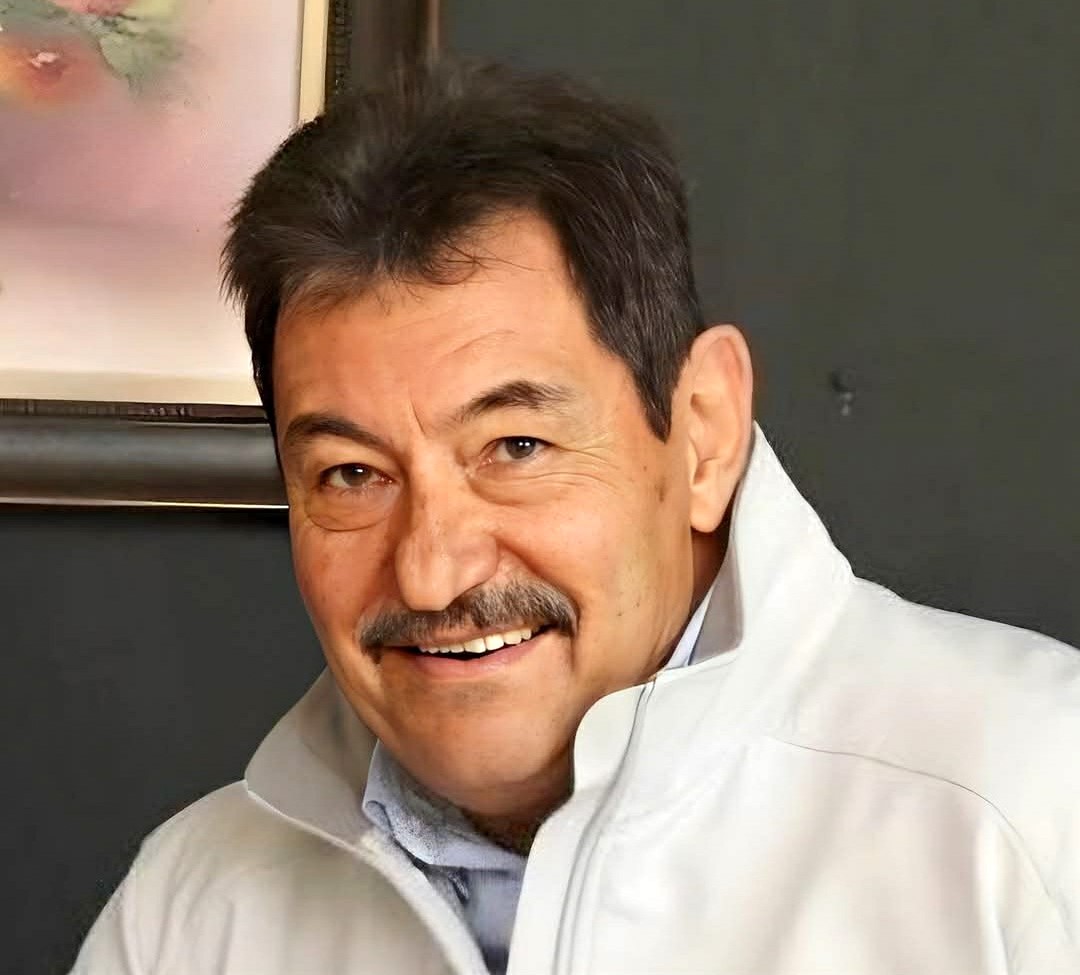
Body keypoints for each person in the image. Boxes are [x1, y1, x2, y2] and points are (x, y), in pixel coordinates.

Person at [73, 61, 1080, 975]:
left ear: (703, 431)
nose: (431, 571)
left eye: (515, 447)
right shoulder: (189, 912)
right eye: (351, 474)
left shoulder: (1036, 805)